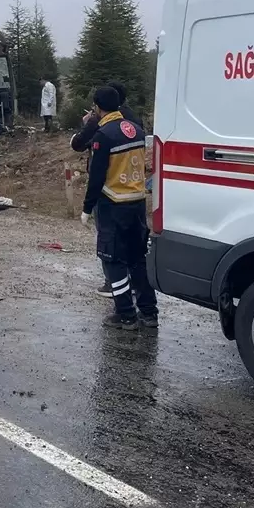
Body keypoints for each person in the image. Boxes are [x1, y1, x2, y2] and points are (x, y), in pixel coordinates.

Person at [80, 86, 157, 330]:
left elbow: (97, 176)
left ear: (98, 107)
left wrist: (86, 207)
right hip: (137, 203)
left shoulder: (104, 135)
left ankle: (125, 315)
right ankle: (149, 313)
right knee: (137, 260)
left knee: (113, 262)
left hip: (113, 204)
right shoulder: (136, 130)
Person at [71, 81, 143, 298]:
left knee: (110, 248)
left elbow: (82, 150)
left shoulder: (101, 127)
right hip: (136, 194)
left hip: (111, 195)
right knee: (136, 252)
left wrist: (86, 206)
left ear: (99, 105)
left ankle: (114, 289)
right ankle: (145, 306)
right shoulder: (136, 123)